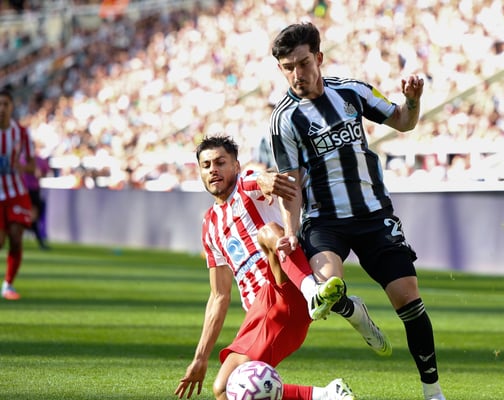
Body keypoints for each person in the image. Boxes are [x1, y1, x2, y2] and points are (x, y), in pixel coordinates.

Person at [268, 22, 446, 400]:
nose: (297, 74)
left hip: (373, 215)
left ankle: (433, 391)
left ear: (318, 58)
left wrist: (413, 101)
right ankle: (354, 312)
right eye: (288, 67)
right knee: (327, 288)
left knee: (408, 297)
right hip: (324, 220)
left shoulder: (352, 91)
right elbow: (290, 182)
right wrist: (290, 231)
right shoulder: (284, 119)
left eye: (303, 63)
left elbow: (403, 121)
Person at [175, 135, 355, 400]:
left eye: (220, 162)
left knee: (268, 232)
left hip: (284, 288)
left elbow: (262, 179)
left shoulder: (246, 185)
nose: (213, 169)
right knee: (224, 390)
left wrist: (268, 179)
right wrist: (200, 358)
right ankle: (325, 395)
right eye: (206, 165)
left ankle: (312, 291)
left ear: (236, 166)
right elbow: (219, 296)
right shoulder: (209, 225)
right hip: (261, 311)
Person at [0, 88, 36, 300]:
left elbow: (33, 166)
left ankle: (8, 285)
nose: (2, 108)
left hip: (16, 192)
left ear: (12, 107)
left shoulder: (21, 133)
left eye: (6, 104)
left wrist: (21, 166)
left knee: (15, 237)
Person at [22, 149, 51, 250]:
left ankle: (39, 240)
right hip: (23, 191)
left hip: (34, 191)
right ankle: (40, 242)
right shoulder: (21, 159)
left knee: (34, 216)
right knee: (30, 216)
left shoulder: (39, 160)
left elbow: (46, 172)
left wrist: (40, 174)